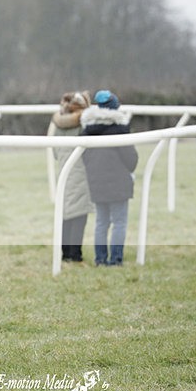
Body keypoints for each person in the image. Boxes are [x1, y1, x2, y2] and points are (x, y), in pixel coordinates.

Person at [80, 90, 139, 266]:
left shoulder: (86, 131)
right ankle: (115, 259)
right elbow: (131, 160)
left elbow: (84, 158)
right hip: (118, 184)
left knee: (101, 223)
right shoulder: (120, 130)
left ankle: (100, 259)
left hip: (96, 182)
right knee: (119, 222)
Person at [52, 91, 94, 262]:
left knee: (66, 215)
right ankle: (75, 255)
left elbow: (55, 152)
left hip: (63, 171)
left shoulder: (58, 126)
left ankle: (65, 253)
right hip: (81, 174)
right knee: (79, 216)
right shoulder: (83, 125)